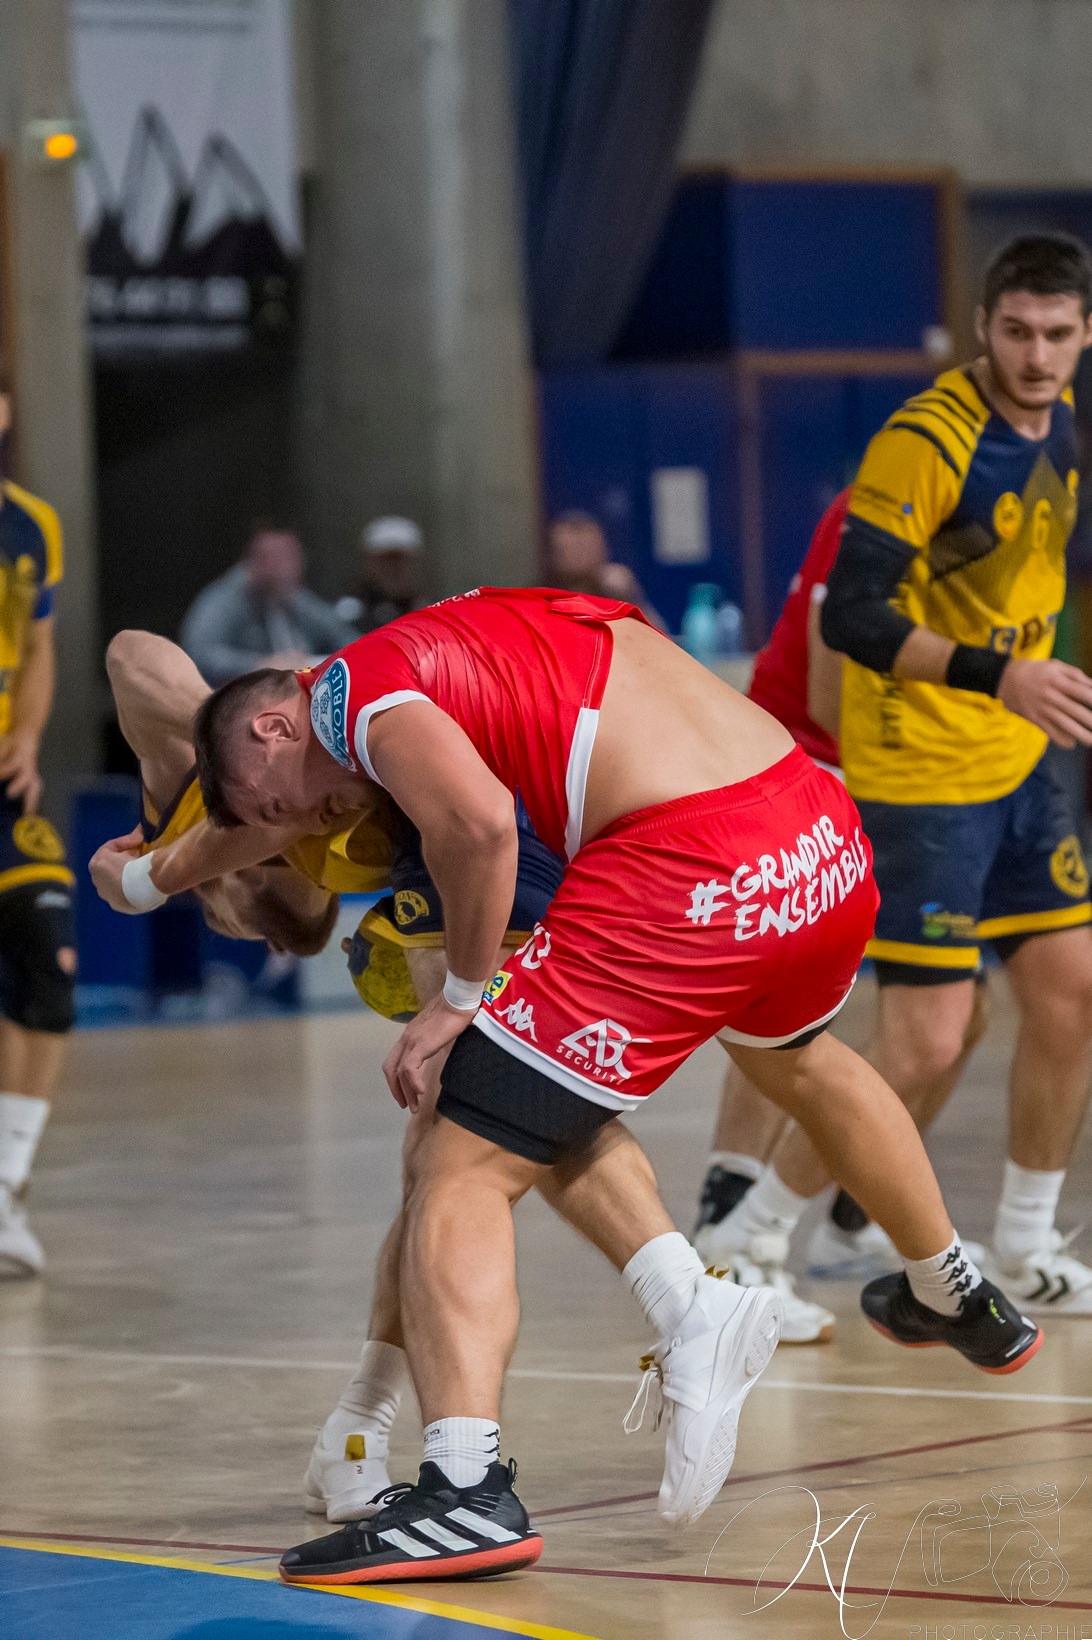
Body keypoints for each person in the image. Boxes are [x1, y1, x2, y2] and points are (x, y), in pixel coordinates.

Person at [191, 585, 1039, 1586]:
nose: (311, 827)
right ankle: (953, 1286)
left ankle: (466, 1491)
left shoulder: (351, 696)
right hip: (812, 832)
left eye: (282, 807)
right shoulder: (493, 618)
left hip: (687, 858)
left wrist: (459, 998)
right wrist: (158, 875)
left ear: (276, 721)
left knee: (459, 1156)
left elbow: (479, 826)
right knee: (802, 1057)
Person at [717, 234, 1092, 1318]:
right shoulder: (927, 438)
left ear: (1081, 336)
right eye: (1015, 331)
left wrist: (1022, 686)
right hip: (923, 769)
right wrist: (999, 674)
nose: (1034, 354)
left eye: (1056, 334)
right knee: (927, 1036)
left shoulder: (1058, 426)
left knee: (1069, 993)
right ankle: (750, 1242)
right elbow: (861, 615)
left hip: (1016, 757)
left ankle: (1025, 1241)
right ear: (983, 326)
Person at [693, 491, 989, 1285]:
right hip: (808, 763)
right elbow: (832, 698)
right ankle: (731, 1230)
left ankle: (856, 1217)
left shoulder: (1015, 514)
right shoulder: (884, 505)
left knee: (962, 1015)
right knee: (785, 1006)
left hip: (900, 778)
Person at [0, 366, 79, 1278]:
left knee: (50, 965)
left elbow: (42, 647)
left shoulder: (34, 523)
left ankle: (8, 1191)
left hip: (7, 788)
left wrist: (25, 736)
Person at [180, 524, 357, 687]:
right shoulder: (227, 599)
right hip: (241, 697)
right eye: (280, 558)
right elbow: (200, 654)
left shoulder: (292, 596)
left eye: (294, 557)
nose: (292, 566)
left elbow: (342, 635)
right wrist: (260, 664)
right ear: (256, 561)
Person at [548, 510, 665, 630]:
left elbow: (660, 639)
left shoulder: (617, 591)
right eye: (570, 548)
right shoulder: (542, 600)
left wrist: (631, 596)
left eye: (586, 547)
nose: (579, 557)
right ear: (553, 554)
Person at [337, 516, 427, 634]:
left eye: (401, 561)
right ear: (370, 564)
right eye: (386, 561)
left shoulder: (433, 611)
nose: (394, 569)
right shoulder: (348, 614)